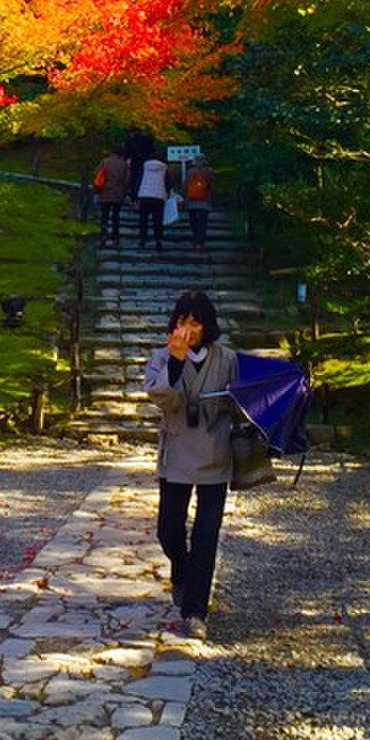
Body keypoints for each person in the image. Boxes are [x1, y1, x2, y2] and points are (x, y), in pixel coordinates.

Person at [142, 290, 238, 640]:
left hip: (215, 453)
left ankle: (195, 609)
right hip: (177, 453)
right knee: (168, 529)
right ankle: (181, 571)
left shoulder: (226, 359)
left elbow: (242, 399)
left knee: (206, 535)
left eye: (195, 322)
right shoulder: (161, 356)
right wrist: (176, 362)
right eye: (183, 321)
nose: (188, 328)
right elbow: (160, 397)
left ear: (207, 325)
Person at [134, 150, 172, 249]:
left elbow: (138, 181)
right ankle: (158, 240)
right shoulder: (164, 168)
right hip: (159, 196)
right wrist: (167, 193)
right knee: (158, 220)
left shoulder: (144, 167)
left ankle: (142, 240)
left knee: (143, 220)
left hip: (144, 195)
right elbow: (168, 183)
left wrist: (135, 196)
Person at [93, 147, 131, 244]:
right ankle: (115, 235)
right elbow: (127, 180)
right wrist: (124, 192)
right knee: (115, 216)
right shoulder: (124, 164)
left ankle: (103, 234)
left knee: (104, 215)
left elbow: (96, 173)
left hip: (105, 191)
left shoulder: (105, 161)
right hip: (118, 193)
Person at [182, 154, 215, 251]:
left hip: (191, 201)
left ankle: (195, 239)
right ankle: (200, 242)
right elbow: (212, 187)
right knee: (202, 222)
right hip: (205, 201)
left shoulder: (190, 172)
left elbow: (185, 186)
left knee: (193, 222)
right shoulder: (209, 172)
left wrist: (184, 197)